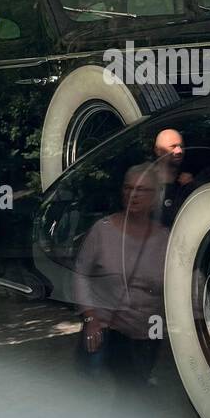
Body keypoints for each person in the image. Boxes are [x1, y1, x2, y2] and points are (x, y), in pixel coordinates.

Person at [74, 164, 169, 383]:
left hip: (146, 336)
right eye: (128, 188)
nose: (132, 195)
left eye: (141, 190)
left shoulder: (166, 238)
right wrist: (90, 317)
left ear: (155, 196)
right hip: (105, 333)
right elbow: (80, 274)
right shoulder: (102, 230)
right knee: (94, 397)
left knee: (134, 395)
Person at [152, 128, 194, 225]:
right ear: (158, 151)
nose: (179, 151)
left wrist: (191, 187)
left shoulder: (187, 181)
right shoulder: (145, 182)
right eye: (173, 146)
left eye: (181, 146)